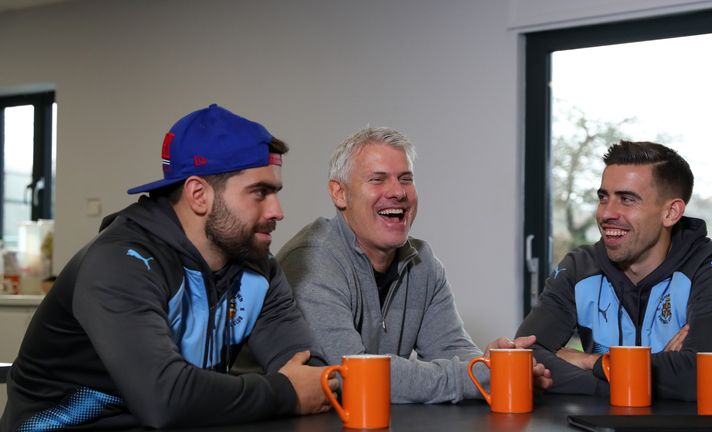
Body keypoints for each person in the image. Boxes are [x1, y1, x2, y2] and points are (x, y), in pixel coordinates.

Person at [1, 104, 335, 430]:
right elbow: (165, 398)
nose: (278, 211)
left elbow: (313, 374)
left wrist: (300, 387)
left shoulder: (258, 268)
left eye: (275, 192)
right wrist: (285, 391)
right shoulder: (120, 263)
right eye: (259, 192)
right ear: (198, 195)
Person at [277, 127, 551, 404]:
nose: (397, 192)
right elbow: (352, 376)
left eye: (405, 179)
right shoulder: (311, 261)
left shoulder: (422, 261)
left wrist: (494, 366)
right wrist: (485, 375)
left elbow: (450, 347)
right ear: (339, 194)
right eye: (378, 179)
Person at [516, 140, 712, 402]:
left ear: (671, 212)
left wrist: (590, 362)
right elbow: (525, 357)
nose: (607, 213)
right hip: (603, 424)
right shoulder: (578, 267)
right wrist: (655, 377)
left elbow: (699, 380)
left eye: (627, 199)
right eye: (603, 197)